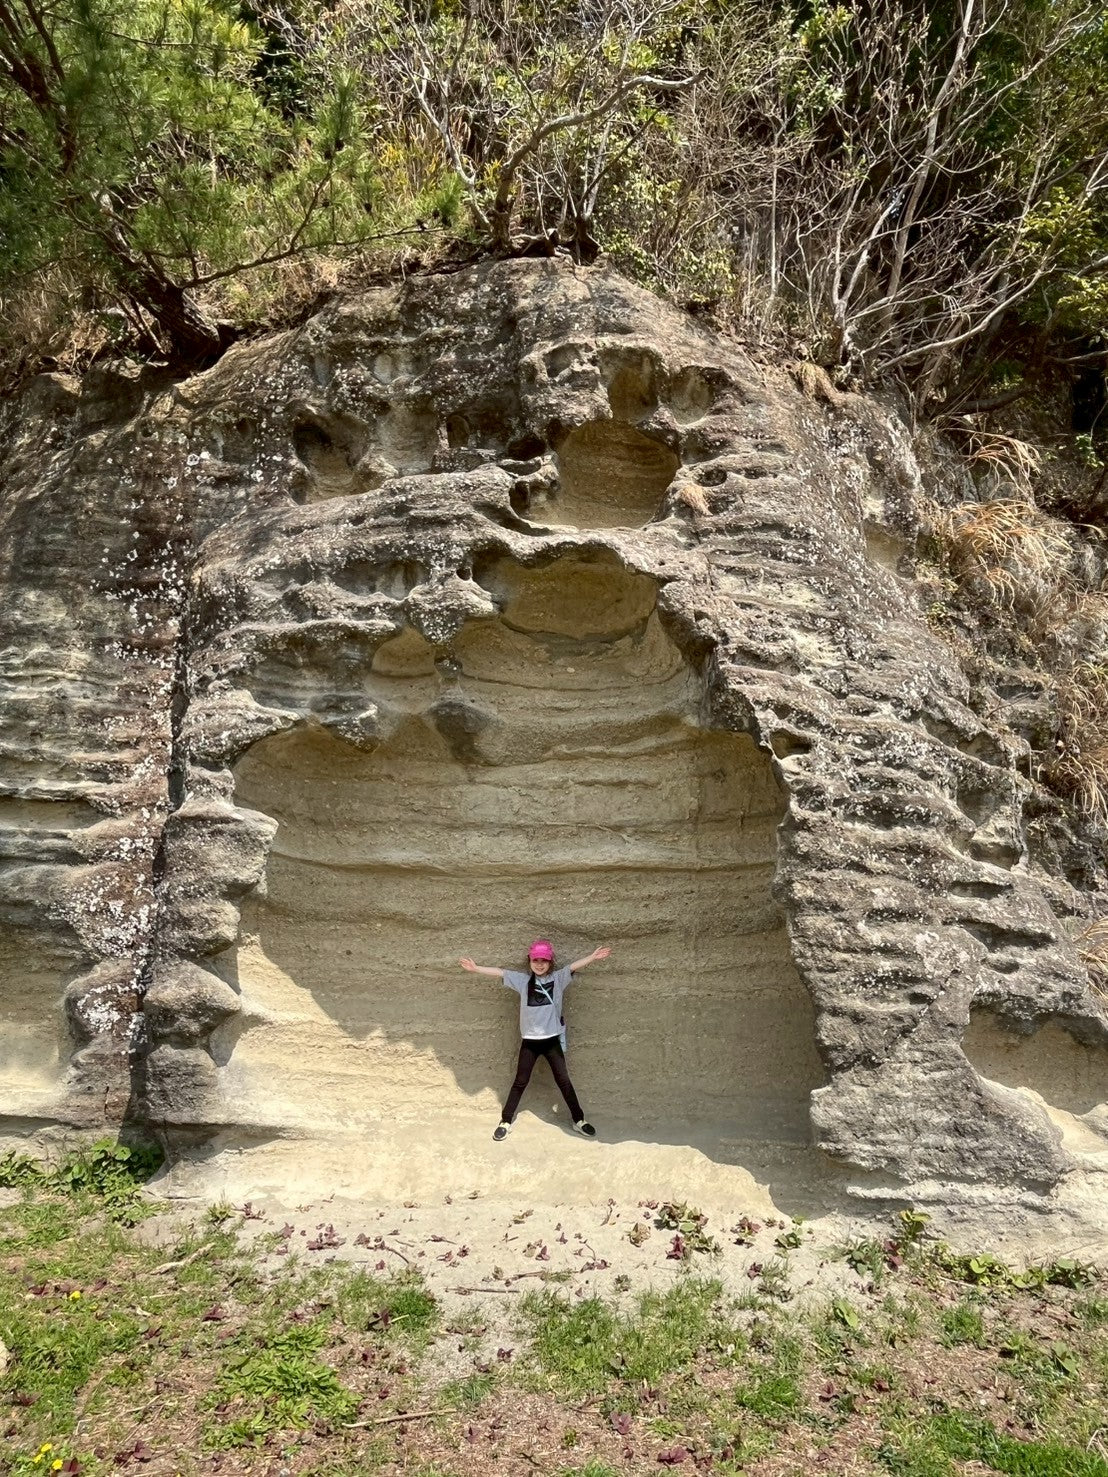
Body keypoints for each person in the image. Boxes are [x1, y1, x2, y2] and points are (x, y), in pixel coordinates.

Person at [459, 939, 611, 1141]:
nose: (539, 964)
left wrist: (592, 957)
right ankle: (505, 1121)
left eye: (544, 960)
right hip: (530, 1042)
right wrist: (476, 968)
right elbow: (500, 972)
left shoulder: (558, 979)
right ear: (529, 960)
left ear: (550, 962)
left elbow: (573, 966)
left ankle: (579, 1120)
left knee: (564, 1081)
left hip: (552, 1042)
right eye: (535, 960)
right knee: (520, 1082)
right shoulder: (522, 981)